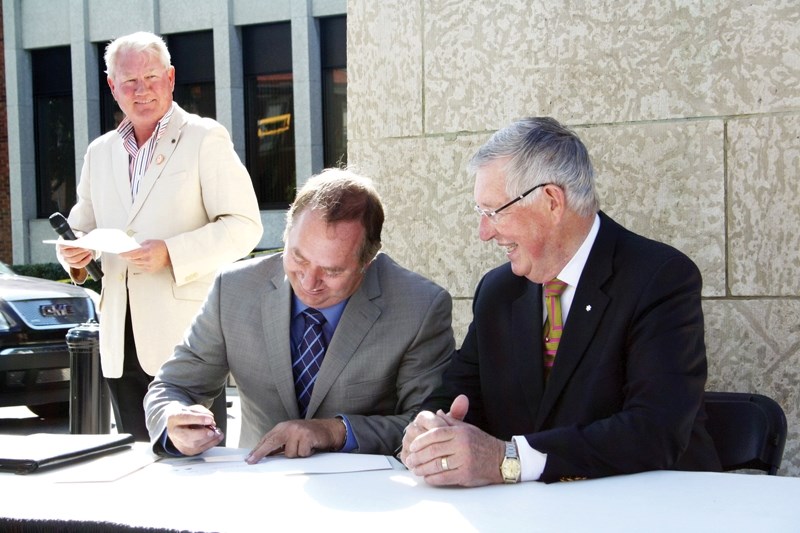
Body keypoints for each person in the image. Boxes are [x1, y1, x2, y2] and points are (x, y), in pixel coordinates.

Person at [401, 117, 721, 486]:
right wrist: (429, 430)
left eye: (494, 212)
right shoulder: (497, 291)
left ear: (551, 201)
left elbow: (654, 429)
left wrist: (510, 460)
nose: (484, 232)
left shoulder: (659, 277)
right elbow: (456, 397)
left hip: (652, 510)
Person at [144, 168, 455, 460]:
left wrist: (336, 431)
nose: (309, 282)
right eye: (298, 258)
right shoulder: (234, 289)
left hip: (365, 492)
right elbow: (172, 387)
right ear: (286, 236)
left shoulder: (420, 306)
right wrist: (174, 418)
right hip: (258, 482)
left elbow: (426, 424)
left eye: (332, 271)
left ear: (368, 261)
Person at [57, 31, 263, 441]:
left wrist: (171, 252)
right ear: (112, 86)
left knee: (197, 465)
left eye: (151, 78)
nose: (142, 90)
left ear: (170, 78)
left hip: (185, 339)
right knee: (135, 467)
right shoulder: (99, 152)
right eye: (129, 81)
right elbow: (82, 224)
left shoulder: (205, 138)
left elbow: (244, 226)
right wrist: (74, 253)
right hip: (120, 338)